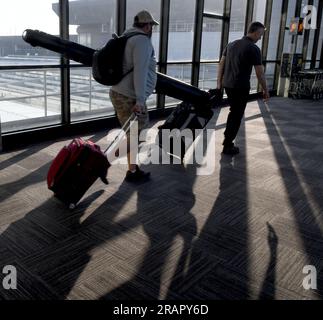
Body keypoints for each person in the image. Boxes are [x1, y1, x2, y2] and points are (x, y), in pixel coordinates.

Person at [109, 10, 159, 182]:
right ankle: (105, 160)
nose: (152, 29)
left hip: (119, 92)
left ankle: (132, 170)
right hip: (129, 96)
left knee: (133, 134)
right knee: (140, 133)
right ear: (147, 26)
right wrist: (140, 100)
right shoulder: (142, 41)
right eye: (151, 26)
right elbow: (140, 72)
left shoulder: (126, 37)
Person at [217, 21, 270, 156]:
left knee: (233, 112)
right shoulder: (253, 49)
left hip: (228, 85)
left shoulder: (231, 44)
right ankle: (228, 144)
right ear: (256, 32)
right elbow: (260, 73)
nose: (260, 38)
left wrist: (219, 83)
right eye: (261, 35)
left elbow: (221, 64)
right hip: (241, 87)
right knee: (236, 115)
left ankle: (227, 141)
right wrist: (265, 90)